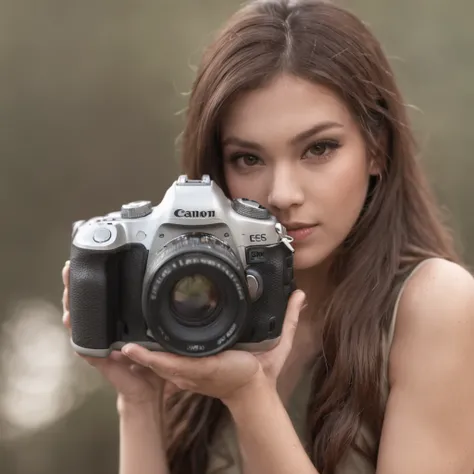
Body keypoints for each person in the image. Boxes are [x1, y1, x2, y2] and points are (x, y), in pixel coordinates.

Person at [61, 0, 474, 473]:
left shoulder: (436, 305)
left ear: (376, 148)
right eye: (248, 159)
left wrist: (249, 397)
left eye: (319, 148)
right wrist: (137, 401)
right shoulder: (194, 312)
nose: (282, 194)